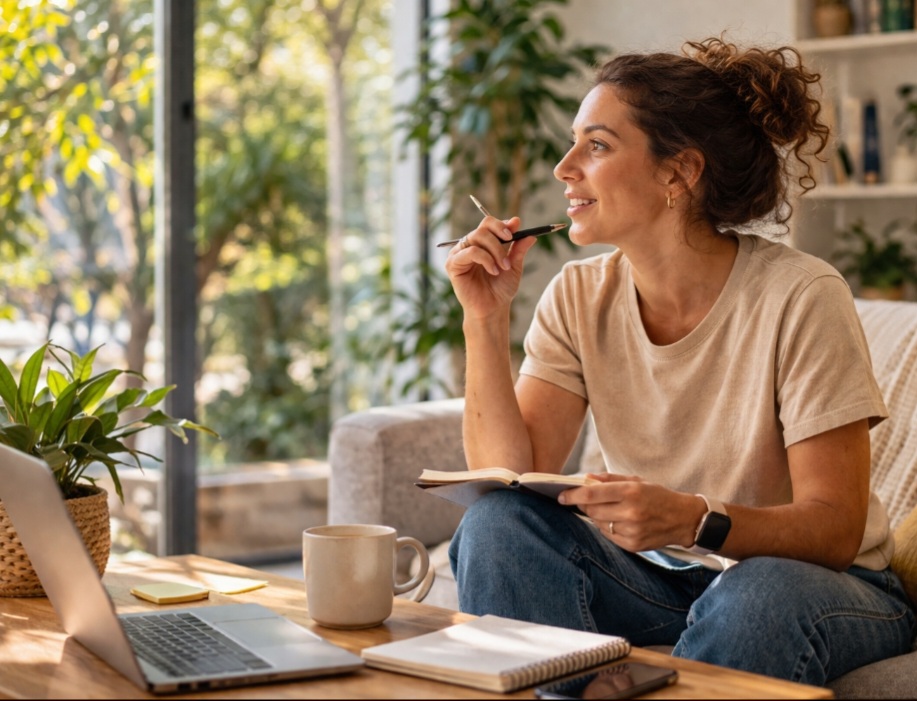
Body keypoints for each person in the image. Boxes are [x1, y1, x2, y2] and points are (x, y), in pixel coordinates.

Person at [442, 36, 916, 687]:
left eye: (597, 145)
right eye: (573, 142)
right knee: (497, 525)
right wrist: (484, 316)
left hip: (823, 588)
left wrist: (697, 518)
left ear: (678, 173)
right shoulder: (578, 295)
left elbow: (832, 529)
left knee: (757, 594)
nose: (563, 167)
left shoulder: (801, 295)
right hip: (660, 579)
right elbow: (512, 478)